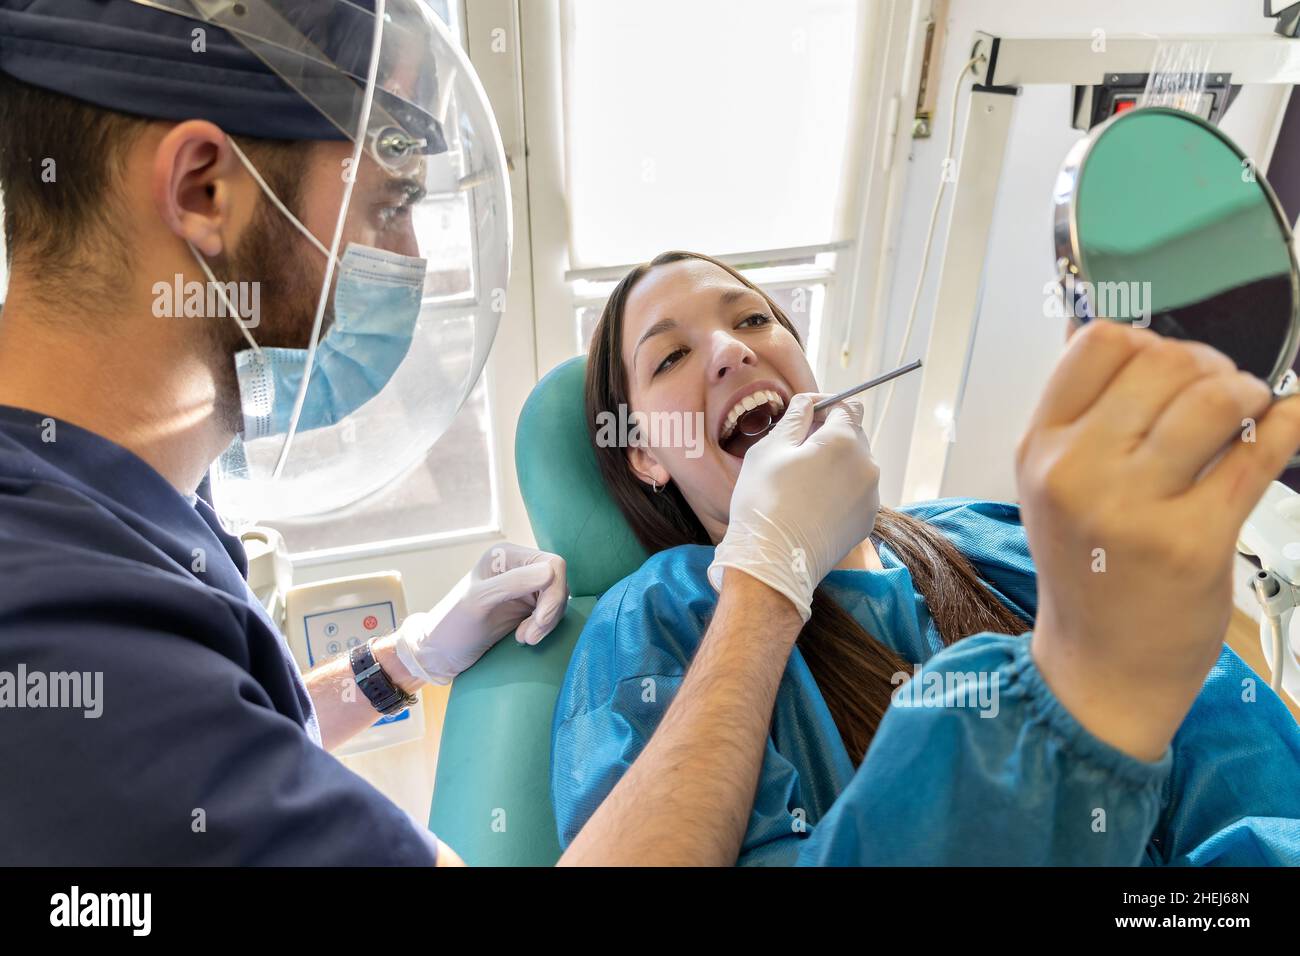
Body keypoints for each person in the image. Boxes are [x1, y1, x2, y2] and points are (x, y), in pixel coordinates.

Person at [0, 0, 882, 868]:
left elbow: (233, 723)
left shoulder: (117, 508)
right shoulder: (73, 647)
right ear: (204, 189)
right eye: (390, 205)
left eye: (757, 319)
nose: (413, 259)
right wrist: (768, 579)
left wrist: (404, 660)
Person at [552, 250, 1300, 865]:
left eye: (752, 319)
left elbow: (1249, 786)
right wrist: (766, 573)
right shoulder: (650, 623)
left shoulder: (987, 532)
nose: (732, 349)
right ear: (645, 454)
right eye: (672, 355)